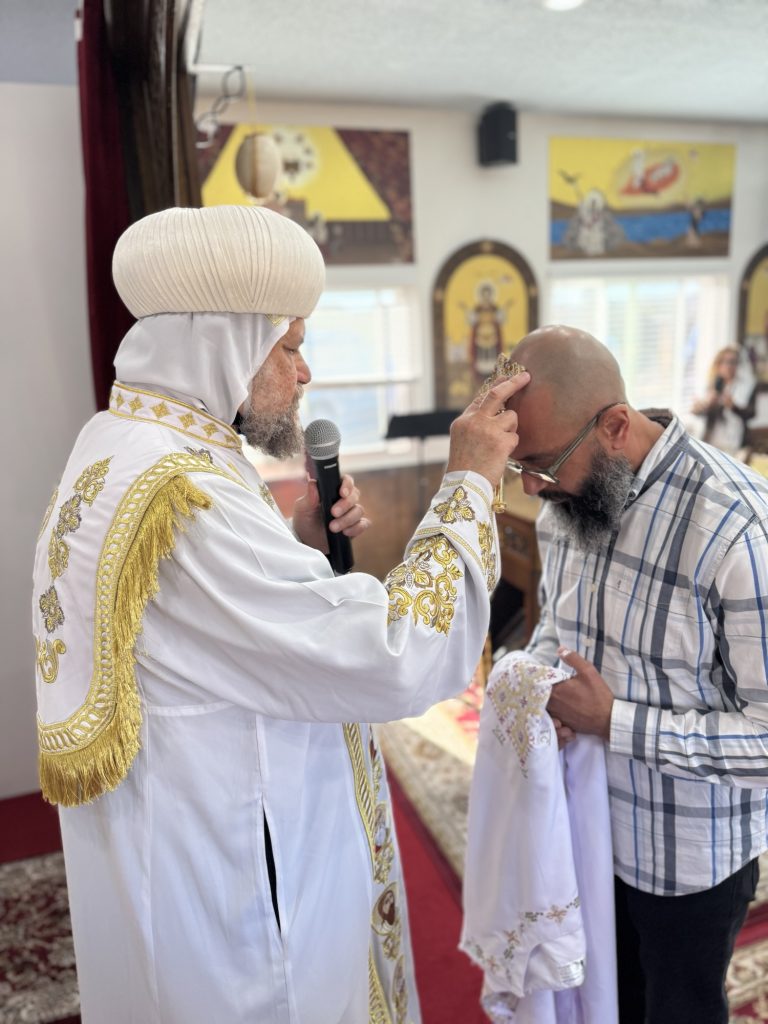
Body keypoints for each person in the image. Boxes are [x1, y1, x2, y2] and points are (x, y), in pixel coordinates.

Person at [32, 204, 527, 1024]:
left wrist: (295, 545)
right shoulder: (185, 497)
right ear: (221, 339)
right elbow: (392, 652)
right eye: (290, 345)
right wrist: (469, 480)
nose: (304, 374)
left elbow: (215, 623)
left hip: (172, 833)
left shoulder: (127, 440)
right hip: (231, 862)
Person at [498, 324, 768, 1024]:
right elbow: (559, 622)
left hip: (689, 859)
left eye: (543, 464)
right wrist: (536, 678)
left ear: (616, 425)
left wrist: (612, 722)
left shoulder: (734, 525)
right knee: (607, 1003)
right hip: (585, 823)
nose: (530, 486)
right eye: (517, 465)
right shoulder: (570, 500)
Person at [691, 345, 755, 454]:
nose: (729, 366)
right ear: (718, 364)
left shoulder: (747, 387)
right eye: (725, 362)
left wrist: (733, 406)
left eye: (733, 362)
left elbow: (751, 414)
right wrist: (704, 406)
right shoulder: (711, 385)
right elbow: (699, 414)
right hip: (712, 442)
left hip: (735, 444)